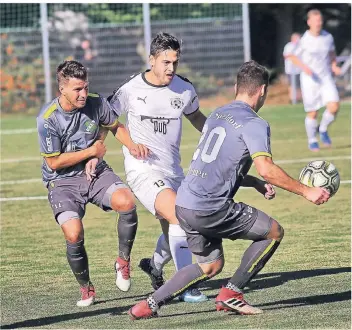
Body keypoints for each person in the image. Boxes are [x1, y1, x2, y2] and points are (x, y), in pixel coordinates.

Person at [128, 60, 331, 319]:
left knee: (209, 265)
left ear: (236, 87)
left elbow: (220, 164)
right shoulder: (255, 123)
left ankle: (149, 304)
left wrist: (254, 183)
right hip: (211, 207)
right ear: (262, 91)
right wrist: (307, 191)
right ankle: (232, 294)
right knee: (273, 232)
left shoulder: (217, 115)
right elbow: (266, 168)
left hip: (185, 203)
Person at [36, 60, 148, 307]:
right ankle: (86, 288)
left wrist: (132, 145)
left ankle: (122, 262)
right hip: (62, 182)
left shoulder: (97, 103)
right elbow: (54, 163)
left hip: (94, 173)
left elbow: (115, 126)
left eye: (85, 87)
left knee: (126, 202)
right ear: (62, 90)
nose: (83, 94)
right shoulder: (48, 119)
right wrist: (92, 152)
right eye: (77, 89)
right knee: (74, 233)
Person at [107, 32, 208, 303]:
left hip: (174, 170)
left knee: (183, 223)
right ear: (151, 60)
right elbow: (108, 119)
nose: (171, 68)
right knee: (178, 216)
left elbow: (196, 116)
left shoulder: (184, 89)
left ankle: (154, 265)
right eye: (165, 62)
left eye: (175, 62)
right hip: (143, 170)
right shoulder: (131, 89)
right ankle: (185, 285)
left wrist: (214, 136)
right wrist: (124, 144)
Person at [286, 9, 341, 152]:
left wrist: (334, 65)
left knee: (334, 106)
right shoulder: (304, 40)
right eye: (315, 20)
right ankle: (312, 140)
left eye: (320, 20)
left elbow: (332, 54)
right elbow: (290, 55)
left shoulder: (328, 37)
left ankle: (322, 129)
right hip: (310, 80)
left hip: (325, 77)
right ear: (309, 22)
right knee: (313, 112)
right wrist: (305, 68)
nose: (318, 23)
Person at [283, 33, 302, 103]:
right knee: (292, 85)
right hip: (290, 70)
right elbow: (286, 55)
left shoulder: (301, 46)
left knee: (299, 85)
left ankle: (299, 98)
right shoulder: (288, 46)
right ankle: (292, 98)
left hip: (300, 69)